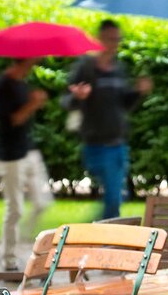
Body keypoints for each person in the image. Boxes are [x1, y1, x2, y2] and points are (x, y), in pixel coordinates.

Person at [64, 18, 153, 219]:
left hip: (119, 144)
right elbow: (66, 101)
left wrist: (138, 92)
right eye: (110, 39)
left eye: (117, 39)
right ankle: (90, 238)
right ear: (99, 39)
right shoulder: (85, 68)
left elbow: (124, 104)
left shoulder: (118, 68)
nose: (114, 44)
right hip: (97, 145)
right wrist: (78, 97)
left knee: (118, 196)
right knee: (114, 198)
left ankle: (93, 238)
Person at [0, 59, 53, 271]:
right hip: (10, 157)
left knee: (42, 202)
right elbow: (14, 120)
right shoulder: (3, 86)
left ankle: (27, 244)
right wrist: (33, 104)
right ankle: (9, 257)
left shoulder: (22, 84)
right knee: (15, 209)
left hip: (29, 151)